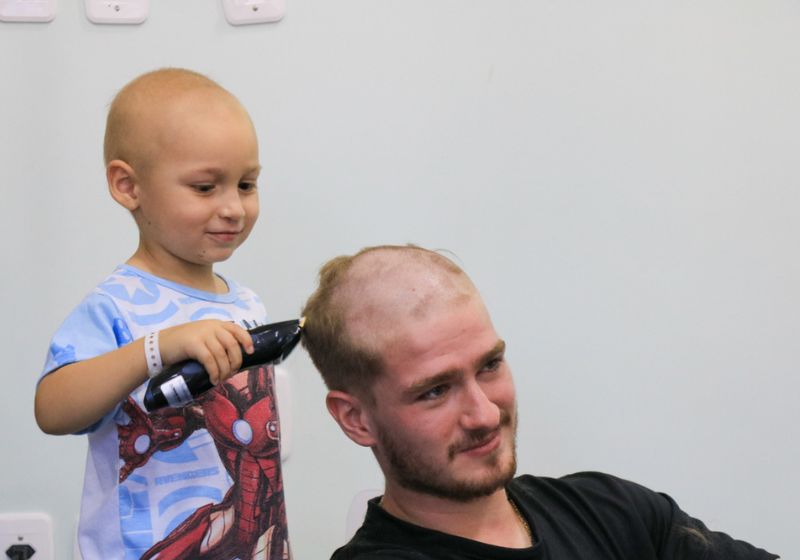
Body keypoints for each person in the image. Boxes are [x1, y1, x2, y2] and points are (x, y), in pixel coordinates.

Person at [300, 244, 779, 560]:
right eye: (435, 391)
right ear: (356, 418)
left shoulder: (612, 510)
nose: (485, 414)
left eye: (489, 366)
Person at [34, 68, 290, 559]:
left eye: (246, 183)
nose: (234, 208)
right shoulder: (116, 304)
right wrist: (157, 348)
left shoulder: (247, 304)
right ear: (128, 186)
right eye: (204, 187)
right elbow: (52, 409)